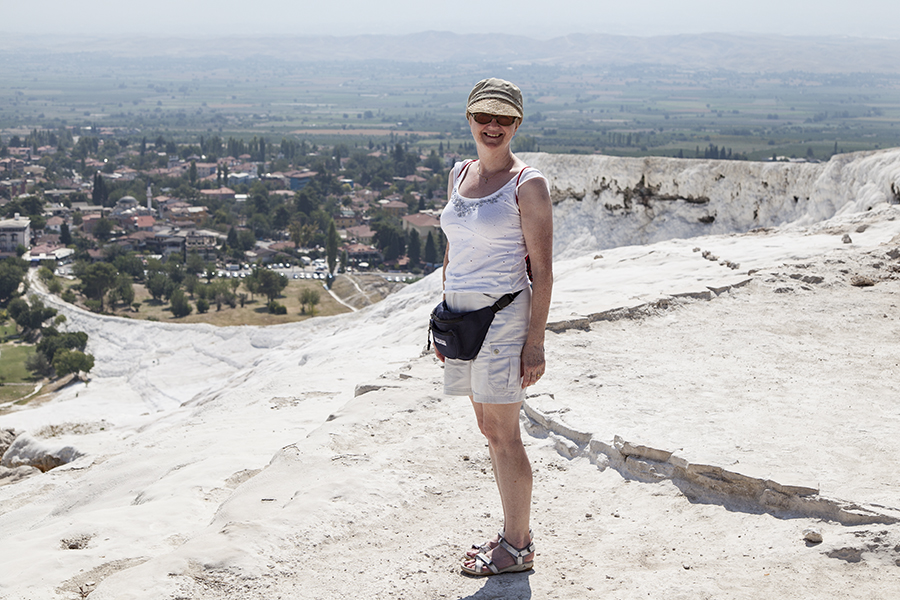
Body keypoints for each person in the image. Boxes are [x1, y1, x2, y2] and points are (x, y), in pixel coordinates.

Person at [435, 78, 553, 576]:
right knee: (487, 426)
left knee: (504, 434)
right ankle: (512, 532)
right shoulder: (460, 172)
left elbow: (543, 271)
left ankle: (517, 546)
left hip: (504, 318)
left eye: (504, 118)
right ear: (469, 119)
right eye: (484, 116)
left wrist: (535, 343)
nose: (493, 126)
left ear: (517, 125)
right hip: (462, 319)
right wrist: (443, 319)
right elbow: (453, 249)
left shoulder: (528, 184)